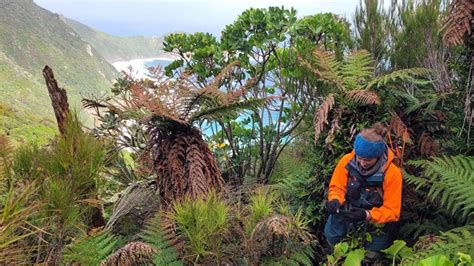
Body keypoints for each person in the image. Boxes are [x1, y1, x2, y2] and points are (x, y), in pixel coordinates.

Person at [324, 123, 403, 252]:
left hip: (375, 221)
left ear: (377, 156)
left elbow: (393, 211)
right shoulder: (346, 161)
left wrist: (367, 215)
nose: (362, 163)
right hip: (346, 213)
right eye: (359, 158)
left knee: (371, 255)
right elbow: (337, 187)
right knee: (333, 241)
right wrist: (334, 199)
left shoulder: (392, 173)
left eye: (368, 160)